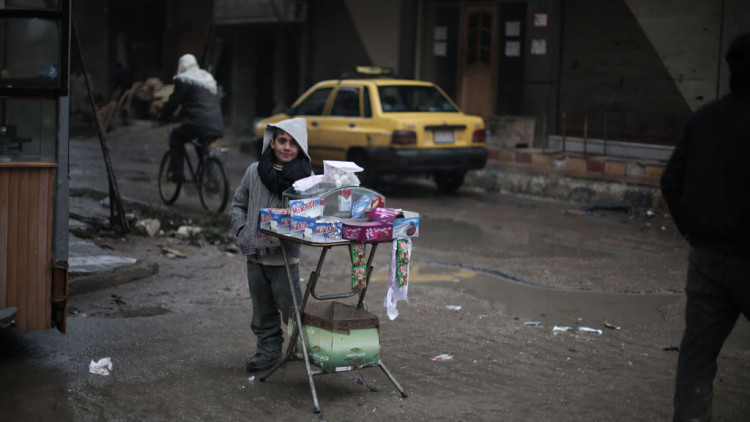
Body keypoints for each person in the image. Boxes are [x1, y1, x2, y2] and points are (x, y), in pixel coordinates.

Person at [660, 32, 750, 422]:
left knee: (697, 356)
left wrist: (692, 231)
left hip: (708, 258)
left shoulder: (703, 119)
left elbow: (670, 181)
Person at [229, 117, 313, 372]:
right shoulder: (254, 171)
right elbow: (238, 204)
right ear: (272, 143)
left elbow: (310, 215)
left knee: (291, 309)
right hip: (254, 254)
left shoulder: (305, 180)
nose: (287, 147)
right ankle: (268, 351)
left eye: (293, 143)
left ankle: (305, 348)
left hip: (284, 257)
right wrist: (242, 230)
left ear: (301, 147)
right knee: (262, 309)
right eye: (282, 141)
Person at [160, 53, 223, 182]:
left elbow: (174, 101)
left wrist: (164, 115)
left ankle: (178, 175)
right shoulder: (207, 78)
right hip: (217, 123)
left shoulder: (184, 79)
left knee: (175, 138)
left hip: (197, 123)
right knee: (201, 145)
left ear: (181, 66)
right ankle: (210, 177)